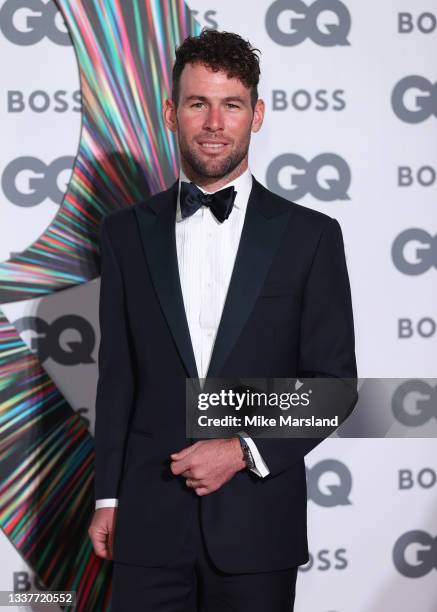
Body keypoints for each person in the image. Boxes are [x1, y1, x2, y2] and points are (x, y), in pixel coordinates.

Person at [88, 29, 357, 611]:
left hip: (257, 528)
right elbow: (118, 382)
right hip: (147, 524)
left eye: (231, 104)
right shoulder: (125, 233)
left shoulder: (310, 238)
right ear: (170, 113)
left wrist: (242, 449)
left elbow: (333, 387)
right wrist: (106, 498)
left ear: (256, 115)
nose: (214, 122)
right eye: (197, 103)